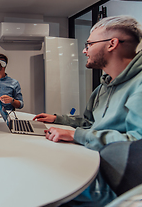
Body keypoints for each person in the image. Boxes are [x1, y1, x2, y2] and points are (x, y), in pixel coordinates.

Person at [33, 15, 142, 206]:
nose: (84, 50)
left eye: (89, 44)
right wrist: (59, 119)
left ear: (112, 44)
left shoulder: (139, 85)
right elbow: (89, 123)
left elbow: (137, 144)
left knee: (44, 188)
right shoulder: (102, 88)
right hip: (92, 158)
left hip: (113, 181)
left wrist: (77, 136)